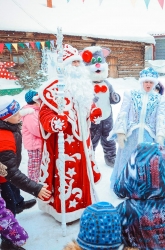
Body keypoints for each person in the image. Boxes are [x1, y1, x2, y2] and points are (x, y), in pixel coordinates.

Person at [38, 44, 102, 223]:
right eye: (72, 63)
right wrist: (53, 122)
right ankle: (65, 210)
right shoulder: (51, 90)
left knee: (83, 175)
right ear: (63, 67)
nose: (76, 66)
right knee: (66, 178)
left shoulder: (81, 86)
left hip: (82, 143)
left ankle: (85, 206)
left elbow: (86, 105)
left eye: (77, 62)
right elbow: (44, 114)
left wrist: (93, 111)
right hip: (64, 145)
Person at [0, 96, 51, 249]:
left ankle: (19, 203)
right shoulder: (4, 139)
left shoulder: (8, 125)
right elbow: (12, 173)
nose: (20, 115)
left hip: (6, 172)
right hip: (3, 176)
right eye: (16, 114)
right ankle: (8, 241)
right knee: (7, 207)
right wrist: (36, 188)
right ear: (5, 118)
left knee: (12, 192)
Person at [108, 67, 165, 188]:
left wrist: (160, 135)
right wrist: (121, 132)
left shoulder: (159, 99)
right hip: (131, 136)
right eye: (146, 81)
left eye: (151, 82)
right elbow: (123, 113)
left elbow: (161, 117)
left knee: (146, 163)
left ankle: (144, 188)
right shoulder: (131, 94)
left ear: (155, 84)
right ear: (141, 82)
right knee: (127, 161)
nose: (148, 84)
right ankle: (123, 187)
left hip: (148, 137)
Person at [81, 46, 121, 167]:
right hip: (93, 119)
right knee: (92, 140)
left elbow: (114, 99)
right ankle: (89, 160)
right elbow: (82, 101)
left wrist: (115, 97)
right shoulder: (86, 85)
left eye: (100, 62)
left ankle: (111, 158)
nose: (97, 66)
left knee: (109, 139)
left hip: (107, 116)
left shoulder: (107, 84)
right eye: (94, 63)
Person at [20, 90, 42, 182]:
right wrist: (47, 131)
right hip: (34, 145)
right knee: (34, 165)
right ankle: (33, 184)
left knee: (38, 164)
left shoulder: (36, 111)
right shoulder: (30, 113)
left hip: (37, 143)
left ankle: (38, 181)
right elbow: (36, 130)